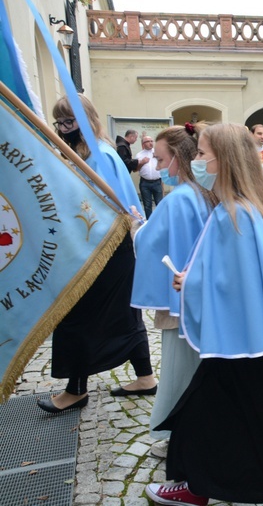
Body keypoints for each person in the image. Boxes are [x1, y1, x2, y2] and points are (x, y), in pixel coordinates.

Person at [145, 123, 263, 506]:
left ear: (224, 161)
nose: (195, 161)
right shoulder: (244, 209)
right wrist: (195, 278)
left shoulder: (234, 215)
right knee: (235, 414)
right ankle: (202, 485)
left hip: (242, 341)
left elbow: (232, 283)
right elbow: (233, 275)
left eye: (201, 154)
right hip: (251, 336)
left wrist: (190, 283)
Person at [37, 95, 156, 414]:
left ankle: (76, 390)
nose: (62, 128)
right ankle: (145, 377)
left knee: (76, 316)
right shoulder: (87, 153)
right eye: (58, 122)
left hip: (103, 249)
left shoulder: (100, 155)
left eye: (68, 121)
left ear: (84, 121)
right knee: (123, 315)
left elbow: (106, 206)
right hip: (100, 247)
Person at [130, 123, 215, 459]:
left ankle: (184, 436)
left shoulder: (177, 199)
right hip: (205, 297)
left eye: (163, 160)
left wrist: (136, 227)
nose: (160, 167)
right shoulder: (206, 192)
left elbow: (151, 243)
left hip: (180, 299)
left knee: (180, 371)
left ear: (181, 157)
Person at [136, 135, 163, 218]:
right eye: (148, 141)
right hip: (145, 183)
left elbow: (165, 164)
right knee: (147, 205)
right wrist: (142, 163)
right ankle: (149, 223)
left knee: (159, 203)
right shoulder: (139, 155)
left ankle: (160, 222)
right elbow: (136, 169)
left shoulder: (158, 152)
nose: (151, 143)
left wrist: (159, 158)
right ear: (143, 144)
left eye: (151, 141)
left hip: (157, 182)